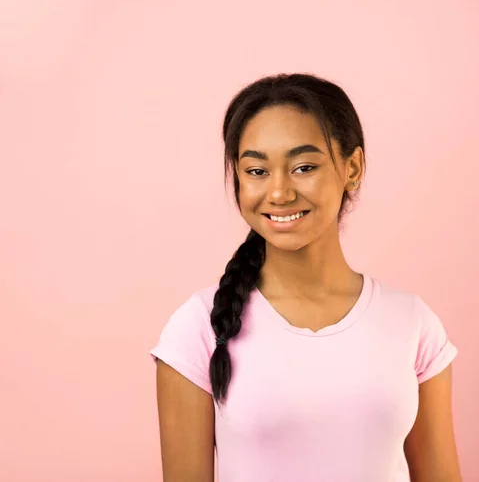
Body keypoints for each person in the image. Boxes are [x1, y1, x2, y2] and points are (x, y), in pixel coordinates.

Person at [149, 73, 462, 482]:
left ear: (353, 167)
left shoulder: (412, 323)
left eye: (303, 167)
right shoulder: (196, 328)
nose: (278, 193)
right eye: (257, 171)